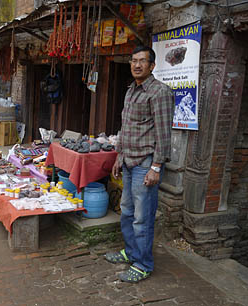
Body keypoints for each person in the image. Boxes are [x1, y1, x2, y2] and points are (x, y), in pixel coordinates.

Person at [105, 46, 174, 283]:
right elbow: (126, 128)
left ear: (152, 66)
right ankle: (132, 252)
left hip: (146, 162)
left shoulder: (159, 92)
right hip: (128, 160)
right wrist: (118, 156)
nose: (137, 65)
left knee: (142, 216)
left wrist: (156, 167)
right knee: (127, 211)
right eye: (133, 61)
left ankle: (143, 263)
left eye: (142, 61)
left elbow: (164, 134)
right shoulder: (131, 91)